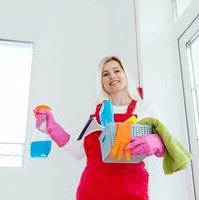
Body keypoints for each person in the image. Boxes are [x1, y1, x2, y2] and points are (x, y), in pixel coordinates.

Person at [34, 56, 166, 200]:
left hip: (131, 192)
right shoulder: (96, 114)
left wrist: (155, 142)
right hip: (91, 192)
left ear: (125, 74)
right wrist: (51, 127)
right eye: (105, 74)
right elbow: (78, 151)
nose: (112, 76)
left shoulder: (145, 107)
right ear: (101, 82)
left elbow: (168, 144)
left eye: (116, 70)